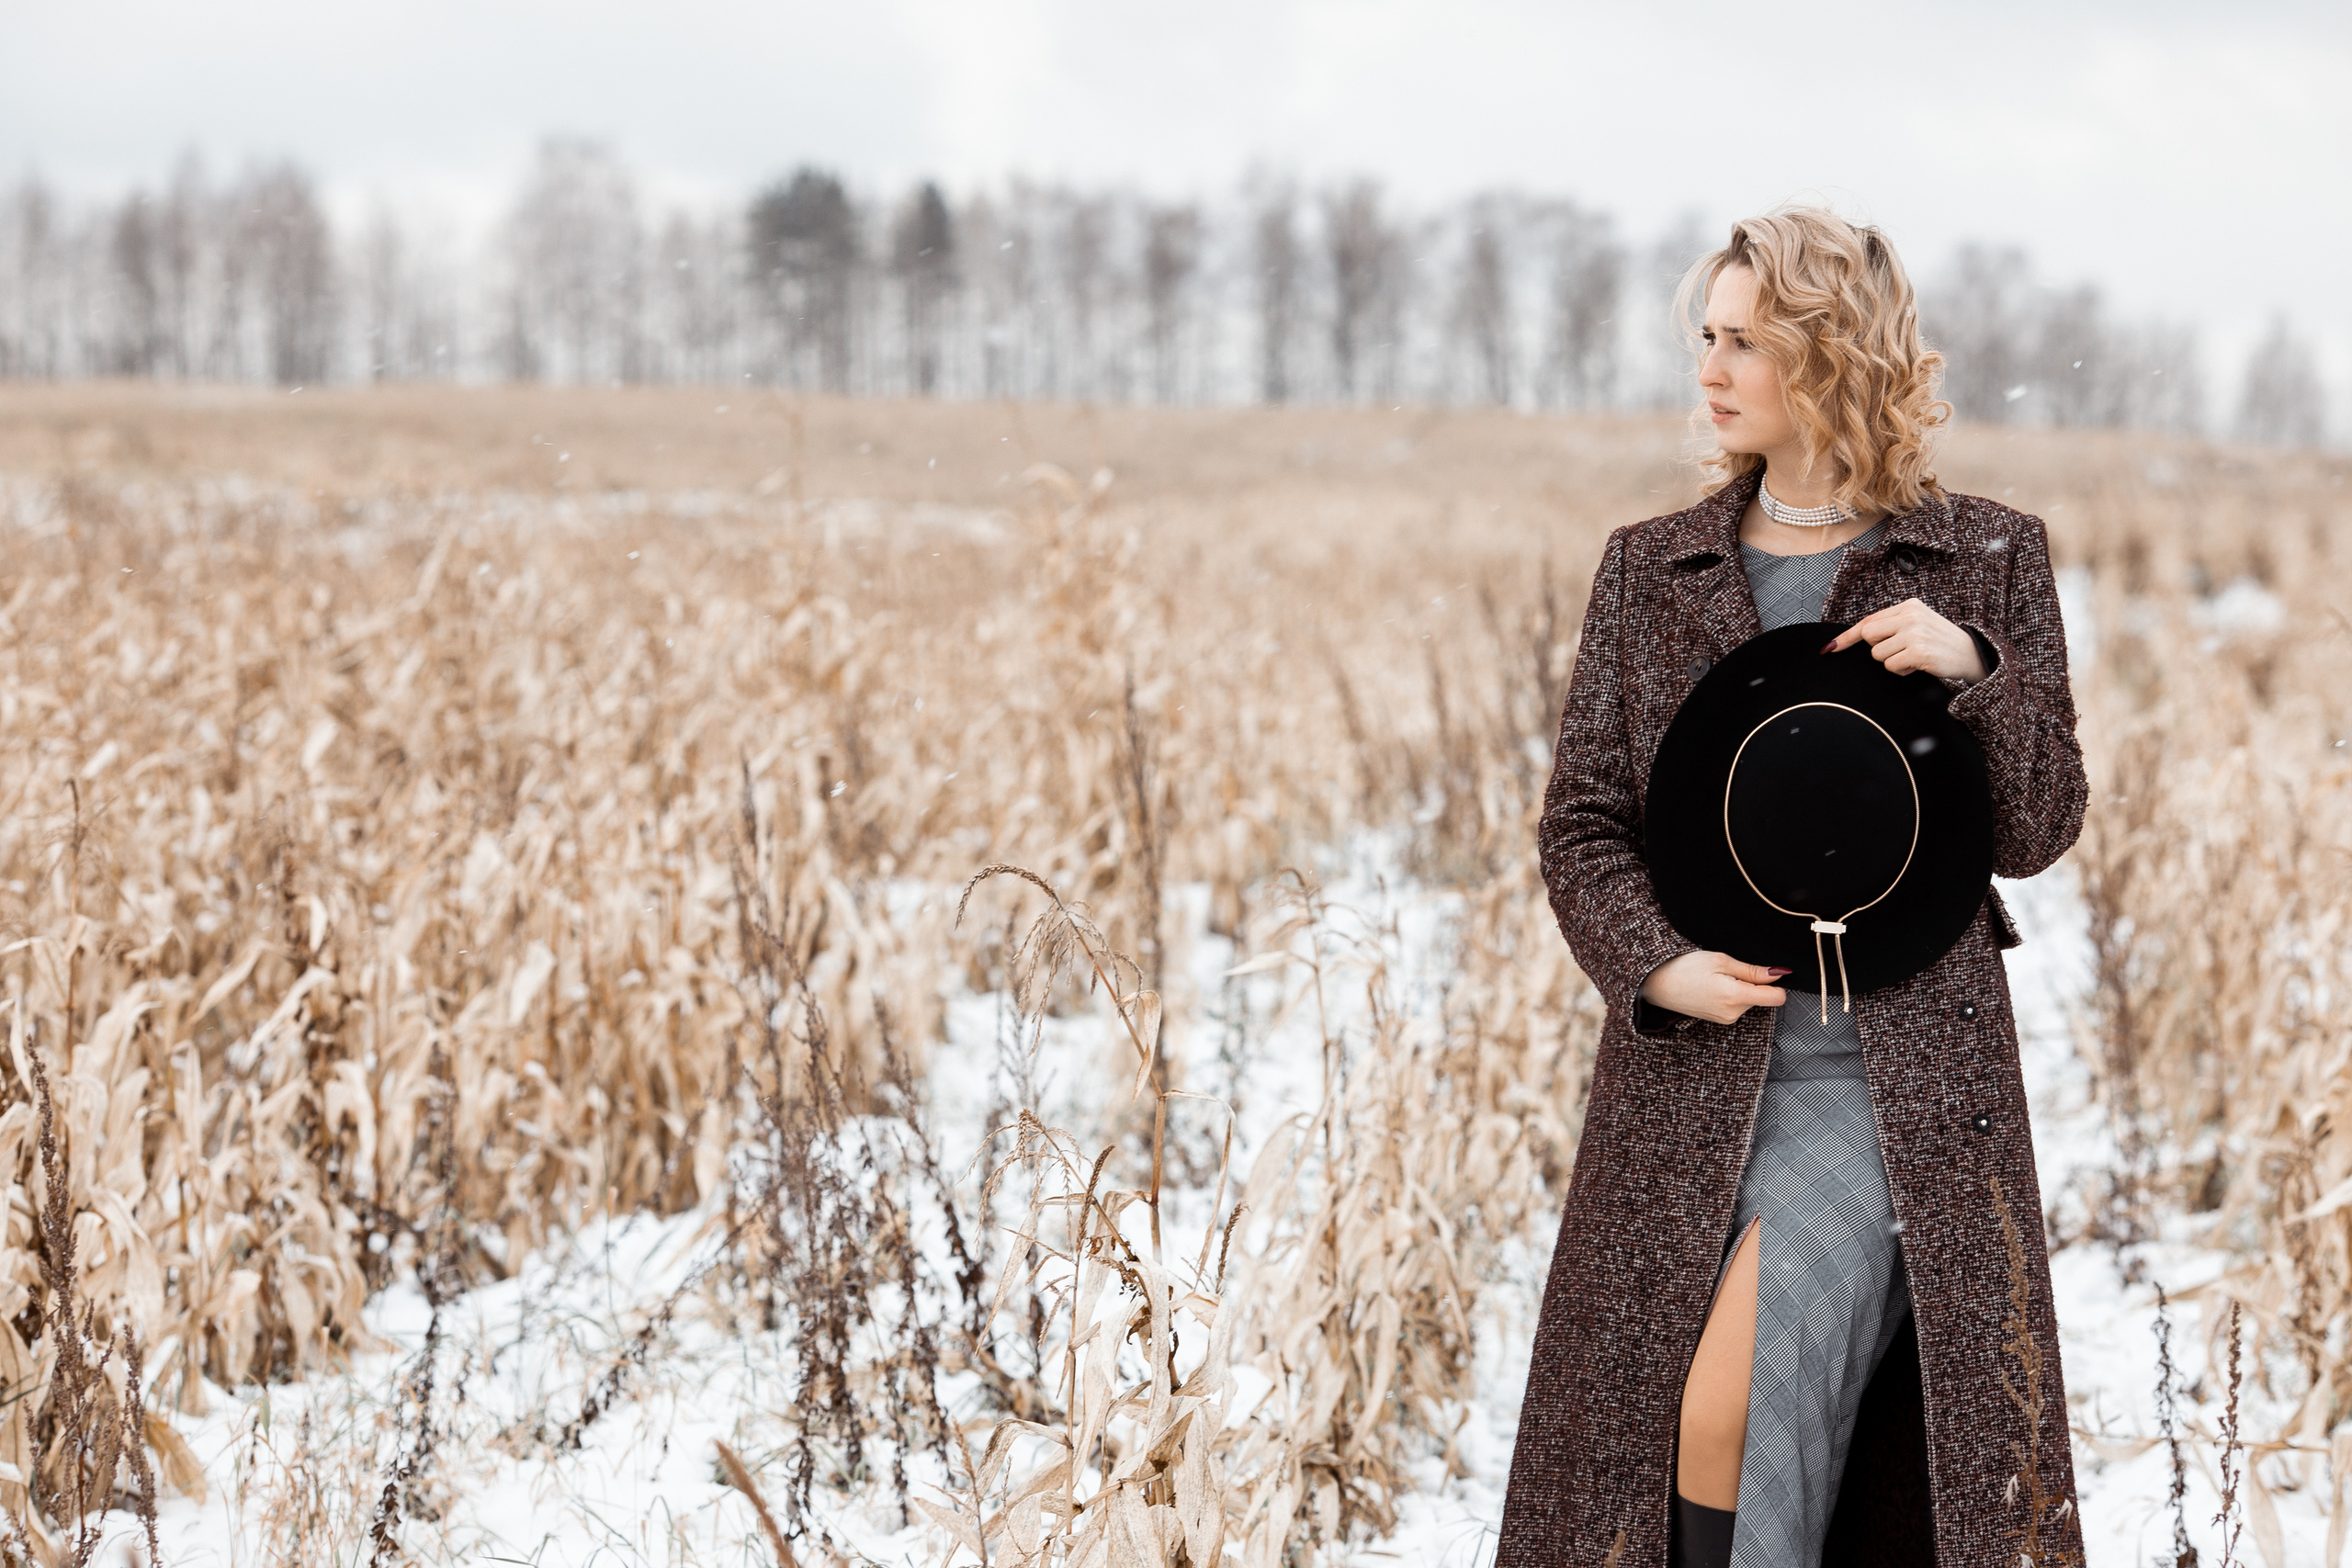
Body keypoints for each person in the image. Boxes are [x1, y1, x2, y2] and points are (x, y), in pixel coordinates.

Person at [1494, 209, 2088, 1568]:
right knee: (1655, 1458)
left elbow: (2041, 826)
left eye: (1744, 340)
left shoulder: (1986, 557)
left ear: (1831, 353)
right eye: (1705, 334)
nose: (1709, 367)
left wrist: (1976, 673)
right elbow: (1584, 820)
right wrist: (1652, 964)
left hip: (1901, 1093)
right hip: (1695, 1081)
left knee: (1733, 1411)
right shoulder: (1652, 568)